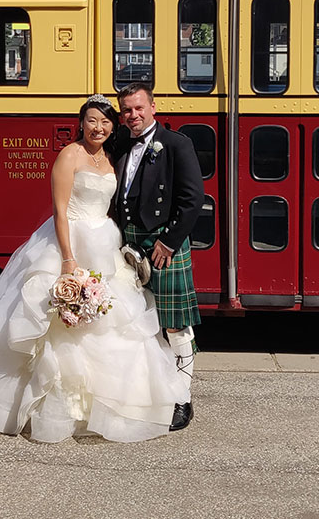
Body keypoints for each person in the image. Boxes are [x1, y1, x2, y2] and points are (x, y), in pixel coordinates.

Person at [0, 95, 189, 442]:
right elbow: (60, 212)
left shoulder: (109, 156)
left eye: (104, 122)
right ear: (81, 122)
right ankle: (63, 405)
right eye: (91, 121)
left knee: (113, 319)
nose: (98, 128)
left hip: (105, 241)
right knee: (57, 326)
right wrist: (69, 260)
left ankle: (107, 401)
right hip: (70, 241)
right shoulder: (69, 155)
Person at [115, 82, 203, 431]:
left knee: (176, 325)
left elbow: (193, 198)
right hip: (127, 245)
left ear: (153, 107)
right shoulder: (121, 142)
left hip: (164, 246)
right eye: (126, 110)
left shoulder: (177, 144)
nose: (132, 115)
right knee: (139, 323)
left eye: (138, 108)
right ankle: (150, 392)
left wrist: (169, 242)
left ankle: (182, 399)